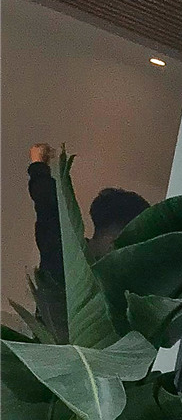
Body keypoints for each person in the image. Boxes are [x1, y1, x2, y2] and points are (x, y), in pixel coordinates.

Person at [27, 142, 149, 334]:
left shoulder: (65, 252)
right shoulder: (65, 251)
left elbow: (47, 206)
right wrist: (38, 164)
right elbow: (48, 204)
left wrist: (38, 163)